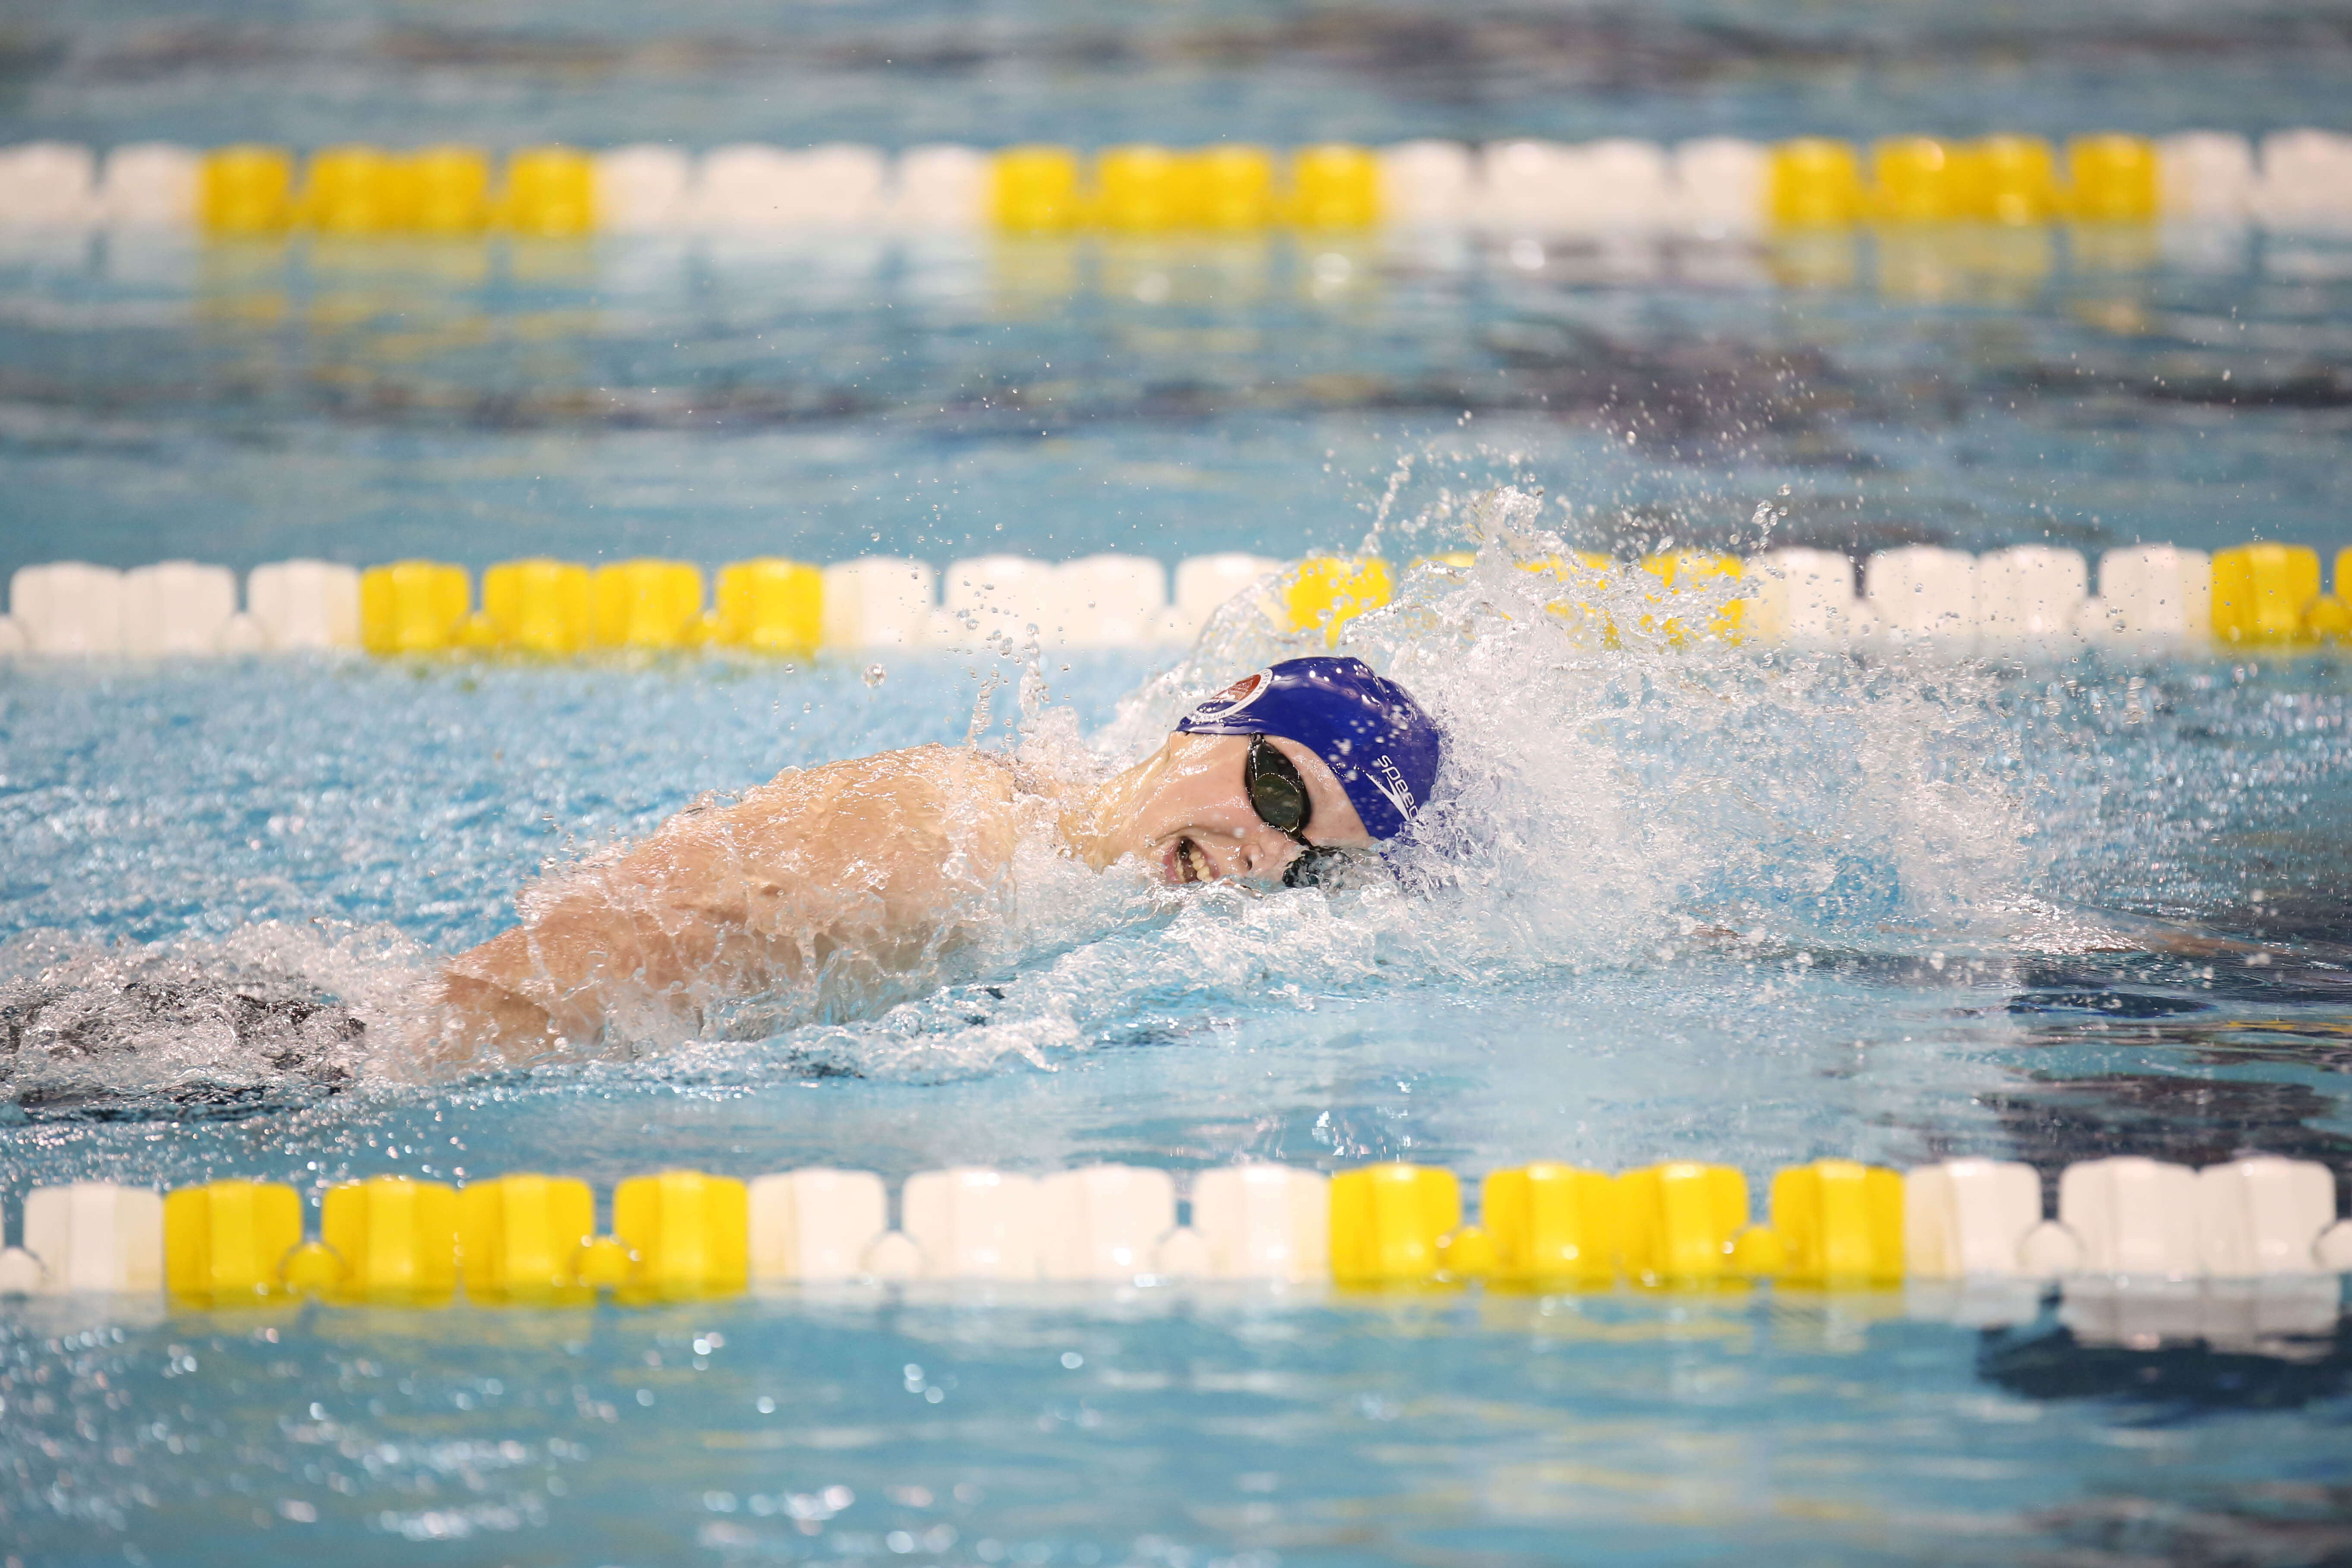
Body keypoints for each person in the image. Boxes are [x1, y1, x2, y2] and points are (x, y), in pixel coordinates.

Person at [434, 656, 1444, 1064]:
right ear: (1218, 711)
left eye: (1308, 863)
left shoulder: (1055, 878)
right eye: (1279, 796)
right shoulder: (946, 840)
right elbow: (567, 971)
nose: (1263, 860)